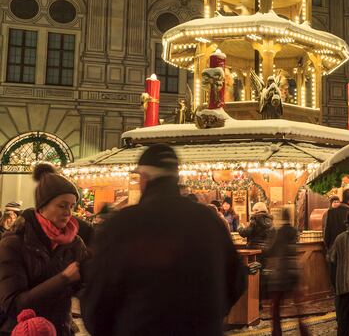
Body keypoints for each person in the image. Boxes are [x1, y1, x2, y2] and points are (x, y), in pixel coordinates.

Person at [81, 144, 246, 336]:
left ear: (145, 178)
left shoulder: (123, 224)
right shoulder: (209, 221)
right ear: (175, 177)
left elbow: (100, 295)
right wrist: (210, 315)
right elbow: (237, 279)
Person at [0, 164, 88, 336]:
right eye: (62, 206)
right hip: (21, 331)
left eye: (71, 206)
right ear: (42, 207)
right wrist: (63, 278)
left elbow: (84, 287)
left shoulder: (75, 243)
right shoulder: (13, 243)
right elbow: (12, 305)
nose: (68, 212)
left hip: (60, 330)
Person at [262, 208, 306, 336]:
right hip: (294, 271)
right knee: (298, 307)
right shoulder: (294, 231)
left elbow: (270, 250)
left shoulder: (278, 232)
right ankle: (304, 331)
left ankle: (276, 332)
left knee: (275, 307)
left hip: (280, 273)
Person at [238, 201, 275, 294]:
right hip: (267, 251)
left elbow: (245, 233)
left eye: (253, 210)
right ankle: (261, 298)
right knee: (262, 275)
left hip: (254, 251)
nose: (252, 212)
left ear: (257, 210)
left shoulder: (254, 219)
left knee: (253, 274)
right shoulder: (270, 220)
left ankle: (254, 300)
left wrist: (240, 228)